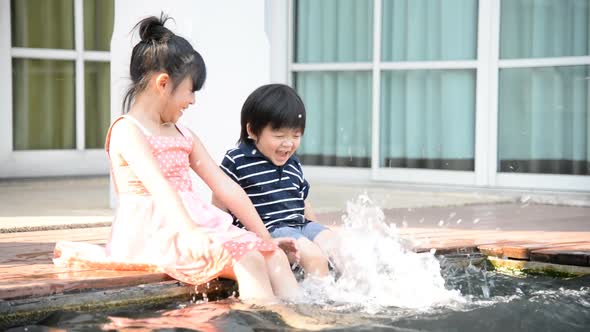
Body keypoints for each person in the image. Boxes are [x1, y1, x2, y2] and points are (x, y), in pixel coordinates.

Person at [53, 15, 300, 302]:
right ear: (163, 83)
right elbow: (160, 187)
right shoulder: (128, 131)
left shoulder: (183, 133)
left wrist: (266, 238)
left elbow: (226, 187)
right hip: (156, 233)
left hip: (193, 224)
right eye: (191, 90)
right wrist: (191, 233)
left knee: (274, 258)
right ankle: (273, 322)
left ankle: (300, 319)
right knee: (251, 261)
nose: (193, 100)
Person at [213, 84, 341, 278]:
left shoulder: (292, 162)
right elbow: (220, 199)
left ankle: (354, 295)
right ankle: (322, 303)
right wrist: (219, 239)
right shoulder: (238, 159)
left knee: (340, 248)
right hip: (270, 230)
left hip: (300, 225)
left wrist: (315, 231)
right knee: (314, 257)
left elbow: (302, 201)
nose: (288, 143)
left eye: (296, 135)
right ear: (252, 130)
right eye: (279, 135)